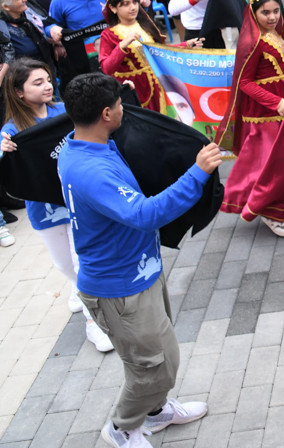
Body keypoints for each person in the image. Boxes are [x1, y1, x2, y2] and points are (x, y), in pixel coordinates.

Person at [58, 73, 221, 448]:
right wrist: (197, 172)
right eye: (119, 105)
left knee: (155, 358)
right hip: (119, 289)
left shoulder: (84, 143)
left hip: (140, 273)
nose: (124, 110)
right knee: (155, 369)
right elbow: (146, 214)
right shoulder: (92, 170)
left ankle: (157, 412)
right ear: (105, 114)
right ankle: (121, 427)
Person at [0, 58, 112, 346]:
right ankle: (77, 288)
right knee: (64, 266)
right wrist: (3, 149)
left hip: (78, 203)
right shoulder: (11, 130)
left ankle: (93, 321)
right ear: (18, 92)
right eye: (37, 83)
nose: (48, 86)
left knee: (81, 261)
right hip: (44, 210)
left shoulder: (66, 112)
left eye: (48, 79)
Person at [214, 0, 284, 237]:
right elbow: (245, 82)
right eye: (265, 12)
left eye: (275, 11)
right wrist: (276, 102)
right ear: (253, 13)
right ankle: (267, 210)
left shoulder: (272, 34)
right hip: (265, 116)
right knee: (274, 165)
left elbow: (279, 58)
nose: (272, 17)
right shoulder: (252, 42)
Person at [99, 0, 201, 113]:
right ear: (113, 8)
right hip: (135, 90)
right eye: (126, 4)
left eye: (135, 2)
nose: (133, 7)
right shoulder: (108, 35)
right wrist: (122, 46)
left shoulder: (145, 25)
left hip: (160, 83)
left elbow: (160, 51)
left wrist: (186, 45)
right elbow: (107, 68)